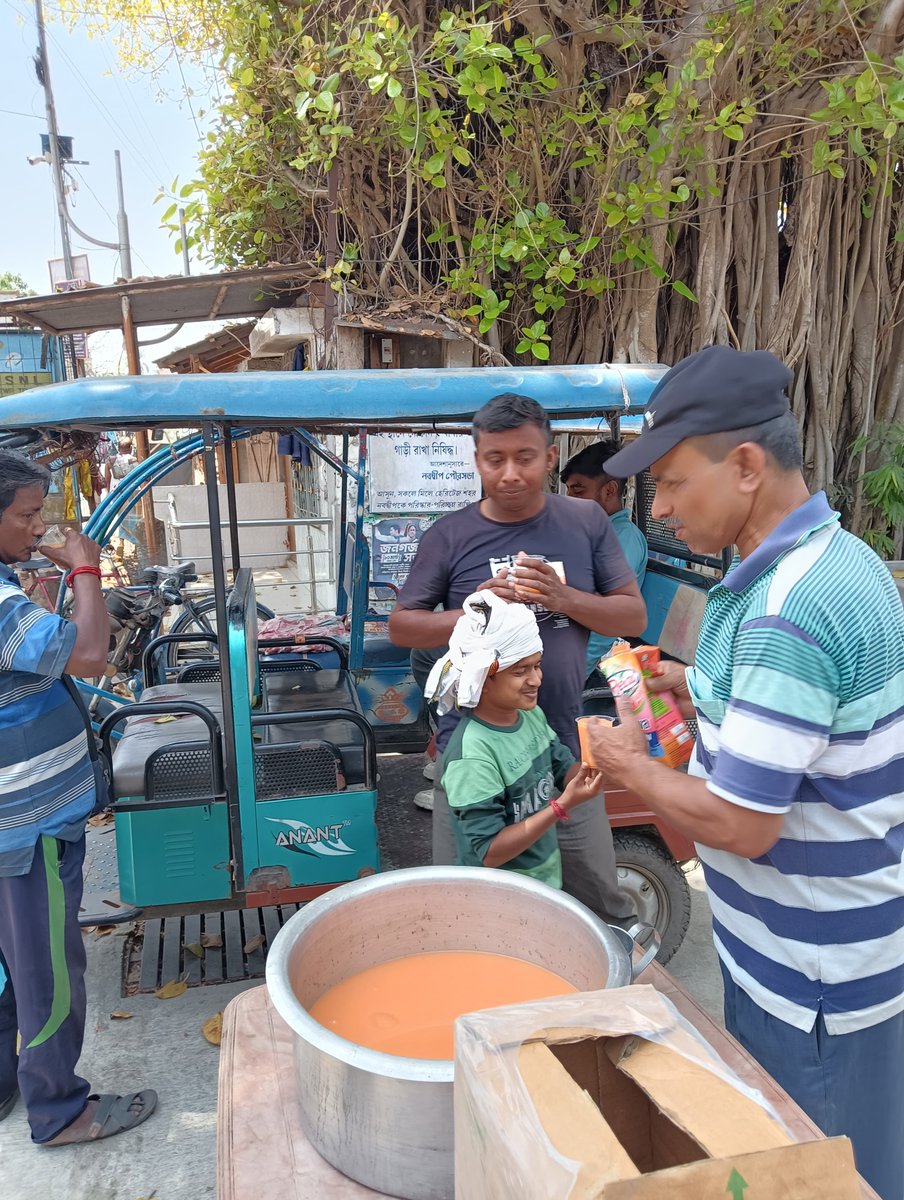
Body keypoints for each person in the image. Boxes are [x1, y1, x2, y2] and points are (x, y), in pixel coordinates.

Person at [584, 345, 904, 1200]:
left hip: (814, 988)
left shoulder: (784, 610)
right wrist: (690, 686)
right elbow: (804, 728)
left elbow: (739, 822)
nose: (662, 509)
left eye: (677, 483)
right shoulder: (837, 561)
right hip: (820, 955)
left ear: (749, 467)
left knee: (829, 1179)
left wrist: (622, 758)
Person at [389, 392, 646, 926]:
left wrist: (563, 598)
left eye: (524, 457)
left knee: (596, 897)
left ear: (550, 456)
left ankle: (610, 994)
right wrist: (476, 610)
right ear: (477, 459)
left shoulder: (585, 523)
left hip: (563, 751)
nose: (509, 473)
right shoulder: (451, 534)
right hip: (475, 757)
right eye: (494, 459)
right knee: (468, 902)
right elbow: (402, 626)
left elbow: (632, 618)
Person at [0, 449, 157, 1146]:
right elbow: (91, 655)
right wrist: (87, 568)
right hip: (31, 828)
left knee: (12, 964)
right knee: (50, 975)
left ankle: (11, 1085)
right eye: (28, 515)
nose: (37, 530)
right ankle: (61, 1111)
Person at [427, 591, 603, 883]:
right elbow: (489, 852)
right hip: (499, 896)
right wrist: (561, 806)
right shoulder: (472, 755)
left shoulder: (530, 715)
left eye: (537, 665)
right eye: (521, 671)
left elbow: (563, 769)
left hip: (543, 881)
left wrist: (601, 760)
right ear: (482, 681)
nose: (536, 679)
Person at [560, 440, 649, 678]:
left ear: (609, 490)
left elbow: (605, 625)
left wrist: (572, 673)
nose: (570, 500)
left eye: (578, 491)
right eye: (568, 491)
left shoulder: (623, 540)